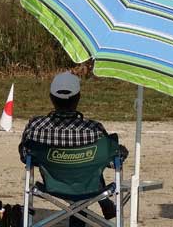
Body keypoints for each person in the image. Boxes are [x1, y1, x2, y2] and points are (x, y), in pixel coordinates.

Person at [19, 72, 124, 227]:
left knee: (83, 165)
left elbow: (24, 155)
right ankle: (102, 202)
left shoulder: (36, 127)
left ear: (51, 97)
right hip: (86, 185)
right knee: (90, 165)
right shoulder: (94, 129)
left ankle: (94, 203)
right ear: (78, 98)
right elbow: (111, 160)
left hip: (53, 183)